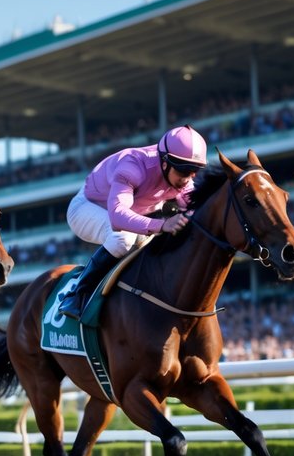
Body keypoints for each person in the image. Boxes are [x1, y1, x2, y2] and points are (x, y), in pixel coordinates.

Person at [58, 125, 206, 320]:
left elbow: (195, 212)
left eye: (195, 170)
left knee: (154, 244)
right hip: (88, 209)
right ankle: (77, 295)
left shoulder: (182, 178)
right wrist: (162, 225)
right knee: (124, 239)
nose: (189, 178)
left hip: (133, 212)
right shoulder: (133, 166)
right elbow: (118, 217)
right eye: (184, 171)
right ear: (165, 163)